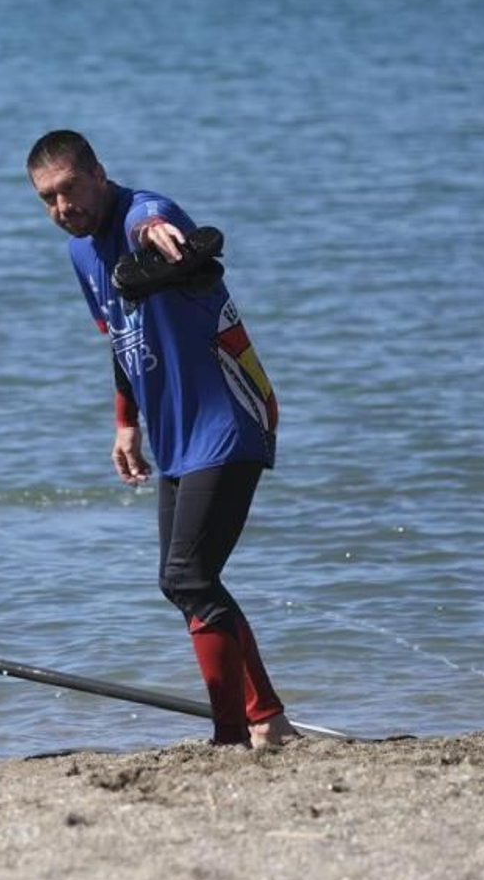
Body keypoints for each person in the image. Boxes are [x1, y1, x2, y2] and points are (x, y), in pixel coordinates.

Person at [26, 130, 298, 749]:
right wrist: (125, 421)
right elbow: (119, 341)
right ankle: (269, 721)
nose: (63, 206)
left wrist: (152, 231)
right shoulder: (80, 255)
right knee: (183, 579)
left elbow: (155, 218)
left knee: (189, 576)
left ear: (99, 172)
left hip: (230, 417)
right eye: (48, 198)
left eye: (70, 188)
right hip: (177, 433)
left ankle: (232, 735)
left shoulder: (145, 212)